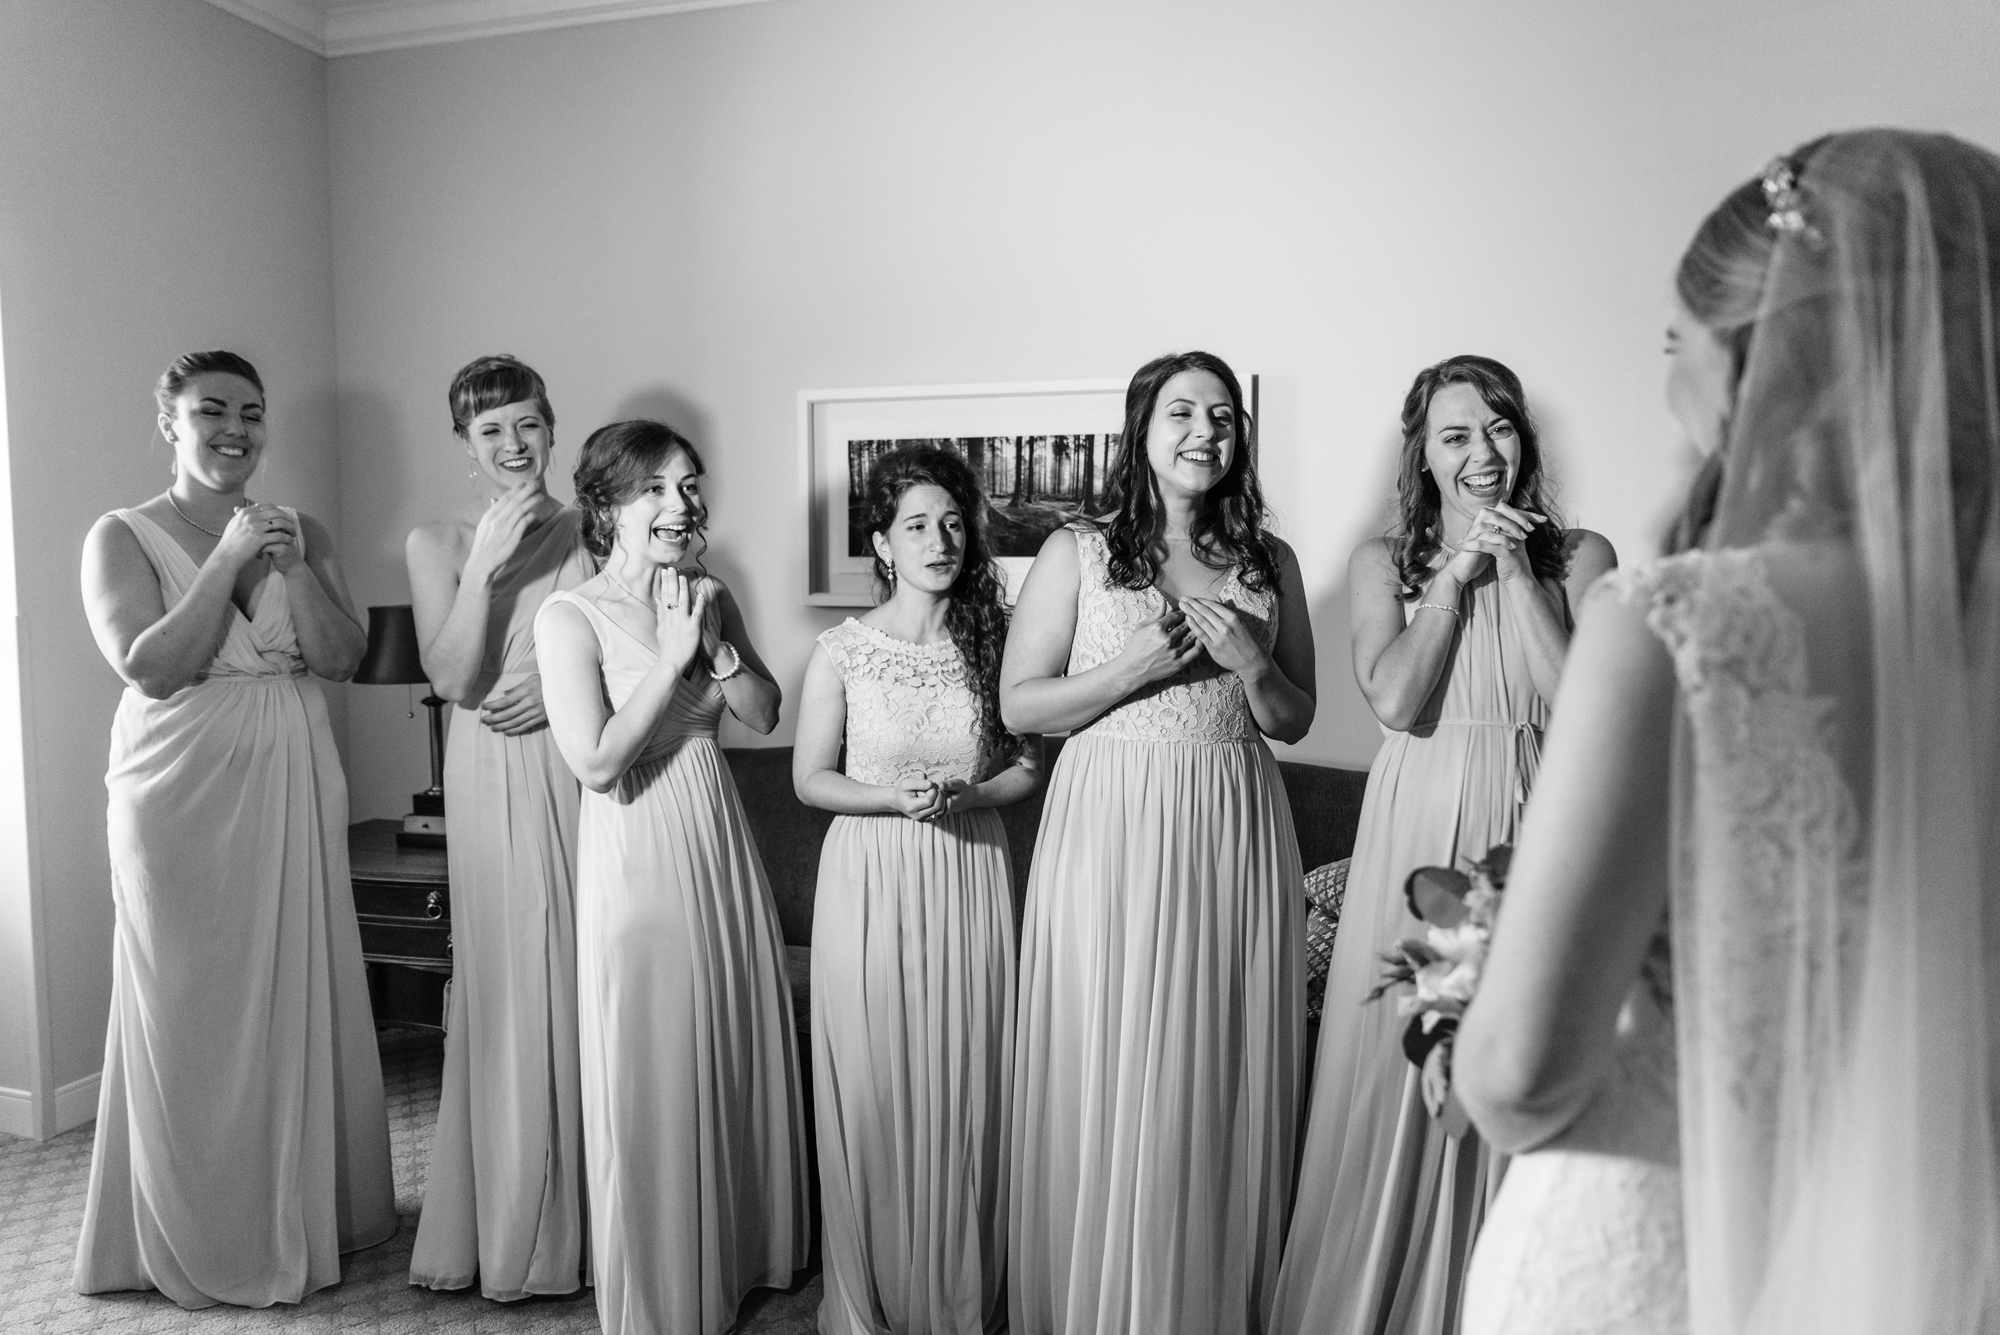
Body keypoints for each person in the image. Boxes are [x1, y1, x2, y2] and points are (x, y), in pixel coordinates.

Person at [1454, 129, 2000, 1335]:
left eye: (1673, 345)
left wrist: (1468, 994)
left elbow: (1517, 1077)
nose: (1668, 385)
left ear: (1761, 366)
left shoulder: (1675, 620)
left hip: (1653, 1248)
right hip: (1929, 1251)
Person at [1271, 355, 1615, 1335]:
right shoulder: (1383, 564)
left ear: (1523, 442)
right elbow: (1393, 699)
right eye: (1454, 435)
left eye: (1496, 429)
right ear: (1421, 455)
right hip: (1415, 824)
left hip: (1535, 823)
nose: (1479, 453)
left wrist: (1512, 565)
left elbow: (1576, 700)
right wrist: (1458, 573)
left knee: (1516, 1054)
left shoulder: (1580, 556)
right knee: (1395, 1063)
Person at [1002, 350, 1317, 1335]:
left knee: (1214, 1057)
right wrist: (1131, 667)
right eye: (1181, 413)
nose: (1203, 434)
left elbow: (1294, 718)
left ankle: (1202, 1299)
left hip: (1232, 824)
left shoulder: (1270, 562)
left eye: (1221, 417)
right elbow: (1020, 704)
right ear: (1140, 429)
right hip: (1110, 825)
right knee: (1112, 1047)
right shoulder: (1078, 552)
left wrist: (1250, 661)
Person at [73, 350, 396, 1308]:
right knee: (191, 1004)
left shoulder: (304, 530)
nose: (237, 429)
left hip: (292, 777)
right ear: (168, 421)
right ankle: (193, 1223)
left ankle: (303, 1208)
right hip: (175, 793)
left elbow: (341, 658)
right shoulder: (120, 535)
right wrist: (224, 558)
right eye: (212, 409)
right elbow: (152, 665)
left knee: (300, 980)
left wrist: (295, 567)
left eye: (253, 413)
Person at [536, 418, 809, 1335]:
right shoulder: (567, 616)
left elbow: (765, 714)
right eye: (654, 487)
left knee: (727, 1042)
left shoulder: (710, 593)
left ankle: (740, 1252)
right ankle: (661, 1282)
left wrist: (718, 642)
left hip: (718, 839)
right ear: (608, 504)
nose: (678, 503)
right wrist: (673, 655)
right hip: (638, 847)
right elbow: (599, 762)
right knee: (653, 1057)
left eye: (688, 485)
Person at [794, 445, 1044, 1335]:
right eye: (916, 525)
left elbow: (1025, 768)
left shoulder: (1000, 644)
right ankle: (875, 1293)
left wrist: (971, 795)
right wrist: (889, 800)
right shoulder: (843, 652)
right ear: (882, 543)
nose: (939, 540)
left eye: (951, 524)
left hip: (971, 868)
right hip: (869, 876)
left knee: (971, 1079)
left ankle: (957, 1293)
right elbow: (809, 778)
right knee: (876, 1086)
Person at [404, 355, 592, 1299]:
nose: (514, 445)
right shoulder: (433, 540)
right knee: (507, 980)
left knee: (579, 972)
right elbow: (450, 679)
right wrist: (483, 561)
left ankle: (596, 1219)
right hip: (485, 771)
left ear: (552, 427)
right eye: (491, 431)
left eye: (528, 424)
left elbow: (637, 662)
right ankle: (511, 1217)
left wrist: (562, 703)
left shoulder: (596, 529)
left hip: (580, 765)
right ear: (465, 445)